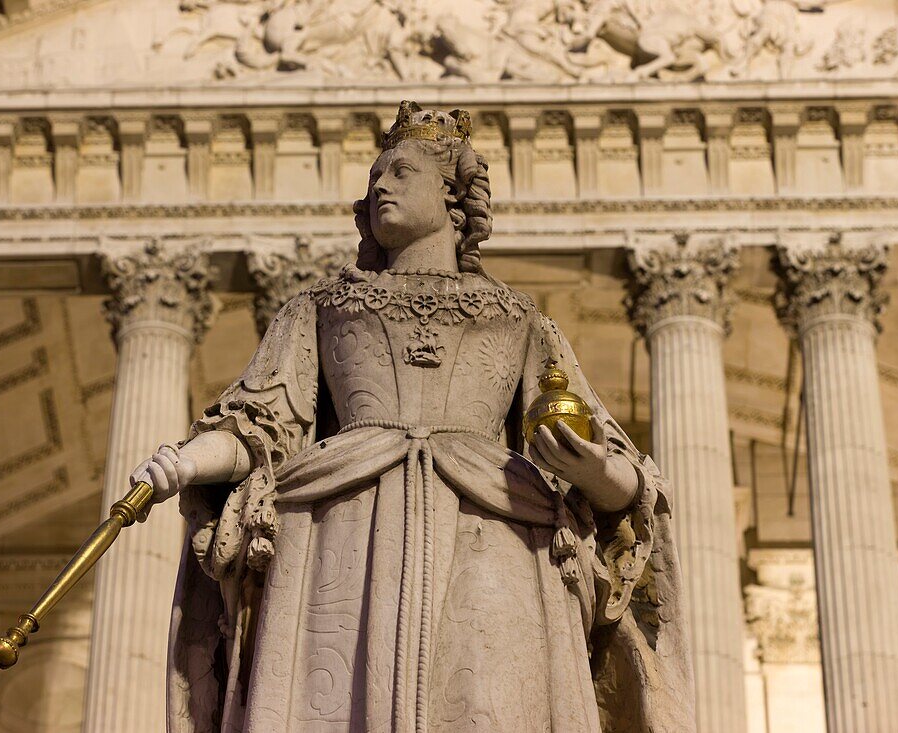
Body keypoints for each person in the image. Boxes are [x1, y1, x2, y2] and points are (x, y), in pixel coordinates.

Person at [132, 101, 695, 732]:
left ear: (452, 196)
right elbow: (262, 426)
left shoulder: (518, 319)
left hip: (497, 530)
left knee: (488, 698)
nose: (379, 185)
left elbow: (608, 461)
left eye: (400, 171)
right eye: (376, 175)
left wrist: (596, 473)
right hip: (339, 525)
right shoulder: (320, 309)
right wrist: (185, 462)